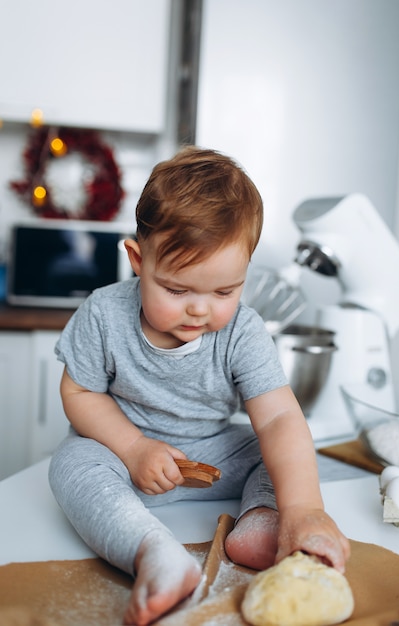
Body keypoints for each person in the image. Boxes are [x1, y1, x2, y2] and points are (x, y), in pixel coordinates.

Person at [49, 146, 350, 626]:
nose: (199, 310)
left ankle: (263, 519)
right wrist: (133, 448)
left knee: (272, 451)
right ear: (137, 259)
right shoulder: (104, 314)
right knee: (69, 463)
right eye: (177, 289)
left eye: (224, 292)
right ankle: (153, 551)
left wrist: (305, 508)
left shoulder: (243, 332)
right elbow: (79, 395)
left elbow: (277, 418)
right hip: (124, 456)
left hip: (213, 458)